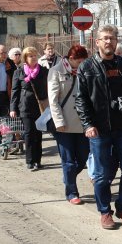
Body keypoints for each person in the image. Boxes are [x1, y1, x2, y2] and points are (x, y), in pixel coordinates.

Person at [76, 25, 122, 230]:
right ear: (97, 42)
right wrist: (88, 124)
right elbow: (81, 99)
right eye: (104, 38)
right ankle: (105, 212)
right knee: (102, 174)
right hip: (99, 130)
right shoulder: (87, 67)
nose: (109, 42)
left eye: (112, 38)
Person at [48, 44, 90, 203]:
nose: (82, 65)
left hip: (82, 124)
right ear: (71, 59)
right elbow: (53, 101)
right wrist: (59, 121)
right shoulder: (56, 71)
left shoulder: (85, 71)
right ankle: (72, 193)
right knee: (69, 161)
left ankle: (68, 177)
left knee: (83, 157)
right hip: (64, 125)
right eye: (79, 62)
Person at [11, 47, 48, 171]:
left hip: (40, 106)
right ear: (25, 58)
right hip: (25, 106)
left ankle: (38, 160)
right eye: (30, 56)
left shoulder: (43, 71)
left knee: (38, 134)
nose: (33, 58)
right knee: (28, 133)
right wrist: (13, 108)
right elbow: (15, 91)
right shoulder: (19, 72)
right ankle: (30, 160)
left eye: (34, 55)